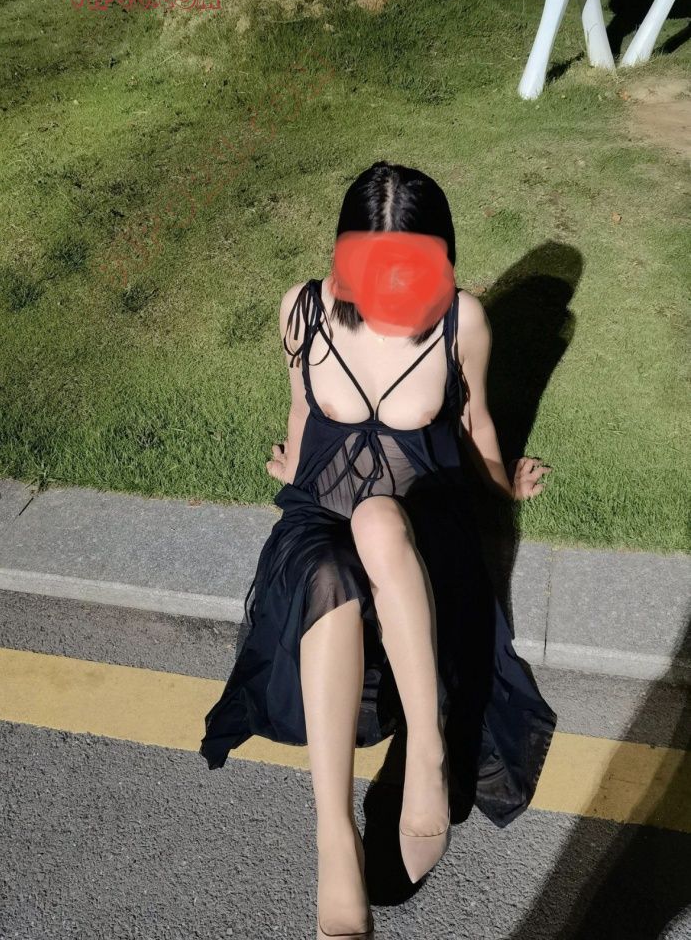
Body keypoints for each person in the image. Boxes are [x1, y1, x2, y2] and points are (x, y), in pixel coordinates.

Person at [200, 161, 557, 940]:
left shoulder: (461, 321)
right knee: (329, 568)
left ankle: (426, 751)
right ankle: (334, 835)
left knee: (376, 522)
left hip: (421, 523)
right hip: (319, 515)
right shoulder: (302, 309)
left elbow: (475, 424)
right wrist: (294, 461)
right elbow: (302, 406)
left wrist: (503, 484)